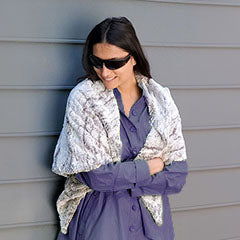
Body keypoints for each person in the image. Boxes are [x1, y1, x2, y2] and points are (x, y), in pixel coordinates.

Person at [52, 16, 188, 240]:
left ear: (133, 58)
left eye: (114, 63)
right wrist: (151, 167)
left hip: (152, 227)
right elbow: (95, 177)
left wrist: (121, 177)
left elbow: (177, 177)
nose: (105, 72)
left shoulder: (161, 100)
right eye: (98, 62)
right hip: (102, 223)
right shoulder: (85, 99)